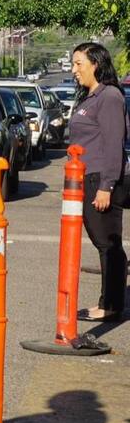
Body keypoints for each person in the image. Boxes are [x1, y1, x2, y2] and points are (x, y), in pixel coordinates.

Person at [69, 42, 126, 323]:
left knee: (108, 243)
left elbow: (115, 145)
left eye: (79, 63)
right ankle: (110, 302)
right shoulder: (89, 97)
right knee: (101, 241)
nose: (74, 69)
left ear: (96, 64)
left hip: (100, 178)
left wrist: (106, 186)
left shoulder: (110, 97)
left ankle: (111, 306)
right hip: (84, 179)